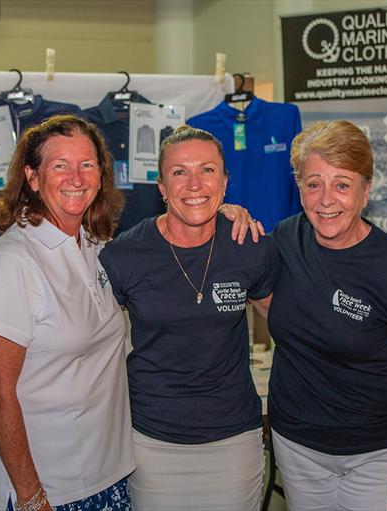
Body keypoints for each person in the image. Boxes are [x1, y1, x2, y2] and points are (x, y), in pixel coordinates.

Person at [256, 120, 387, 511]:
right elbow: (269, 300)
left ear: (366, 190)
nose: (326, 199)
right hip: (297, 445)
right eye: (313, 183)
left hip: (376, 453)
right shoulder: (286, 238)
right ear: (299, 187)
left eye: (342, 184)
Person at [98, 126, 278, 511]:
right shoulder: (124, 255)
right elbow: (91, 341)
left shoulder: (248, 245)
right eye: (180, 172)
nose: (195, 183)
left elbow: (291, 324)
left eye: (207, 170)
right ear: (161, 187)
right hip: (151, 442)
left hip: (233, 441)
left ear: (225, 182)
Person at [0, 115, 134, 511]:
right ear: (33, 177)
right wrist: (31, 497)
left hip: (107, 474)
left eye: (87, 164)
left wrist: (222, 213)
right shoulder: (15, 261)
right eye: (60, 165)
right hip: (48, 490)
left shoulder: (95, 243)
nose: (76, 177)